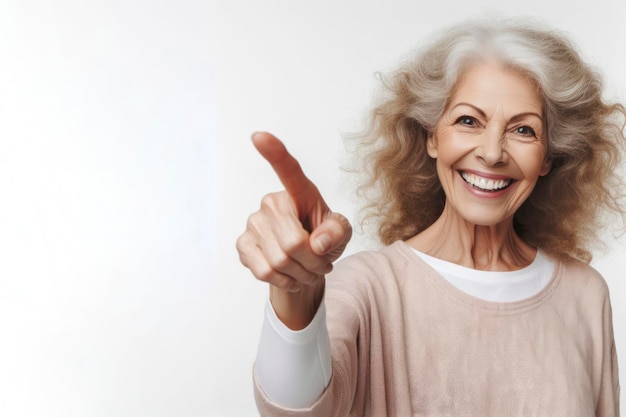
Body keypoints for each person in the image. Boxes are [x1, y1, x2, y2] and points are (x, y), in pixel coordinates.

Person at [236, 18, 625, 416]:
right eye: (468, 121)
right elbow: (295, 407)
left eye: (523, 130)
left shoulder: (585, 295)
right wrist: (295, 292)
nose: (492, 153)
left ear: (548, 157)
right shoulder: (369, 286)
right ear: (432, 137)